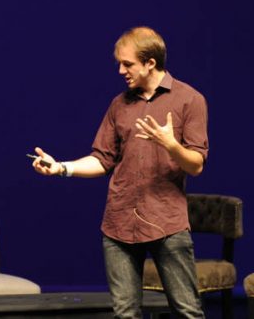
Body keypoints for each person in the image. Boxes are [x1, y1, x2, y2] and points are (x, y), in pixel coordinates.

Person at [32, 26, 208, 319]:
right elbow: (102, 160)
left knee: (188, 311)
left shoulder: (189, 100)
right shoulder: (120, 104)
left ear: (150, 62)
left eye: (127, 64)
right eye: (119, 64)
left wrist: (170, 144)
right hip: (119, 224)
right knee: (125, 313)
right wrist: (61, 168)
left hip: (167, 223)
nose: (120, 70)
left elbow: (196, 164)